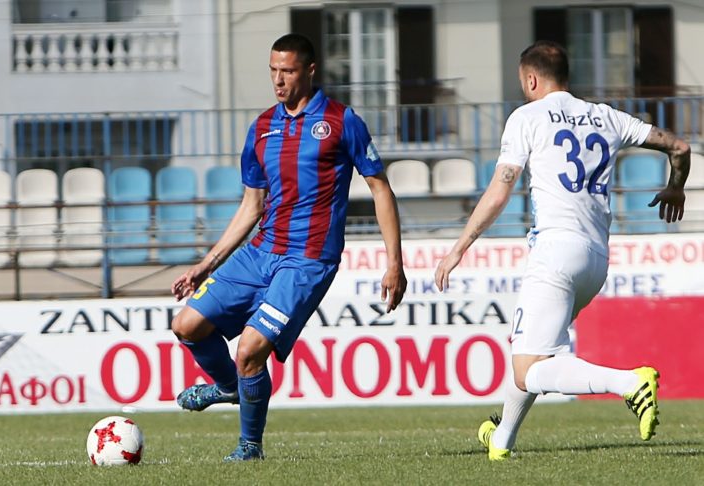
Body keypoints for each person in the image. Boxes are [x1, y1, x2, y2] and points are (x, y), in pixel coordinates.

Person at [434, 41, 690, 461]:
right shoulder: (607, 116)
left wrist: (458, 248)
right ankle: (501, 440)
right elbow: (679, 147)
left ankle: (629, 383)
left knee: (530, 369)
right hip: (596, 259)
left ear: (531, 79)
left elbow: (500, 190)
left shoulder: (527, 117)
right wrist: (676, 187)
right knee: (533, 350)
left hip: (555, 253)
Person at [170, 33, 407, 462]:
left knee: (249, 350)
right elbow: (251, 206)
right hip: (260, 252)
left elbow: (380, 189)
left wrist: (395, 264)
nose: (278, 80)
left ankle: (250, 447)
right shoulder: (262, 127)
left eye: (288, 71)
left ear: (310, 71)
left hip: (307, 261)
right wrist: (206, 265)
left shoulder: (341, 121)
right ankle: (228, 388)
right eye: (273, 71)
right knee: (186, 325)